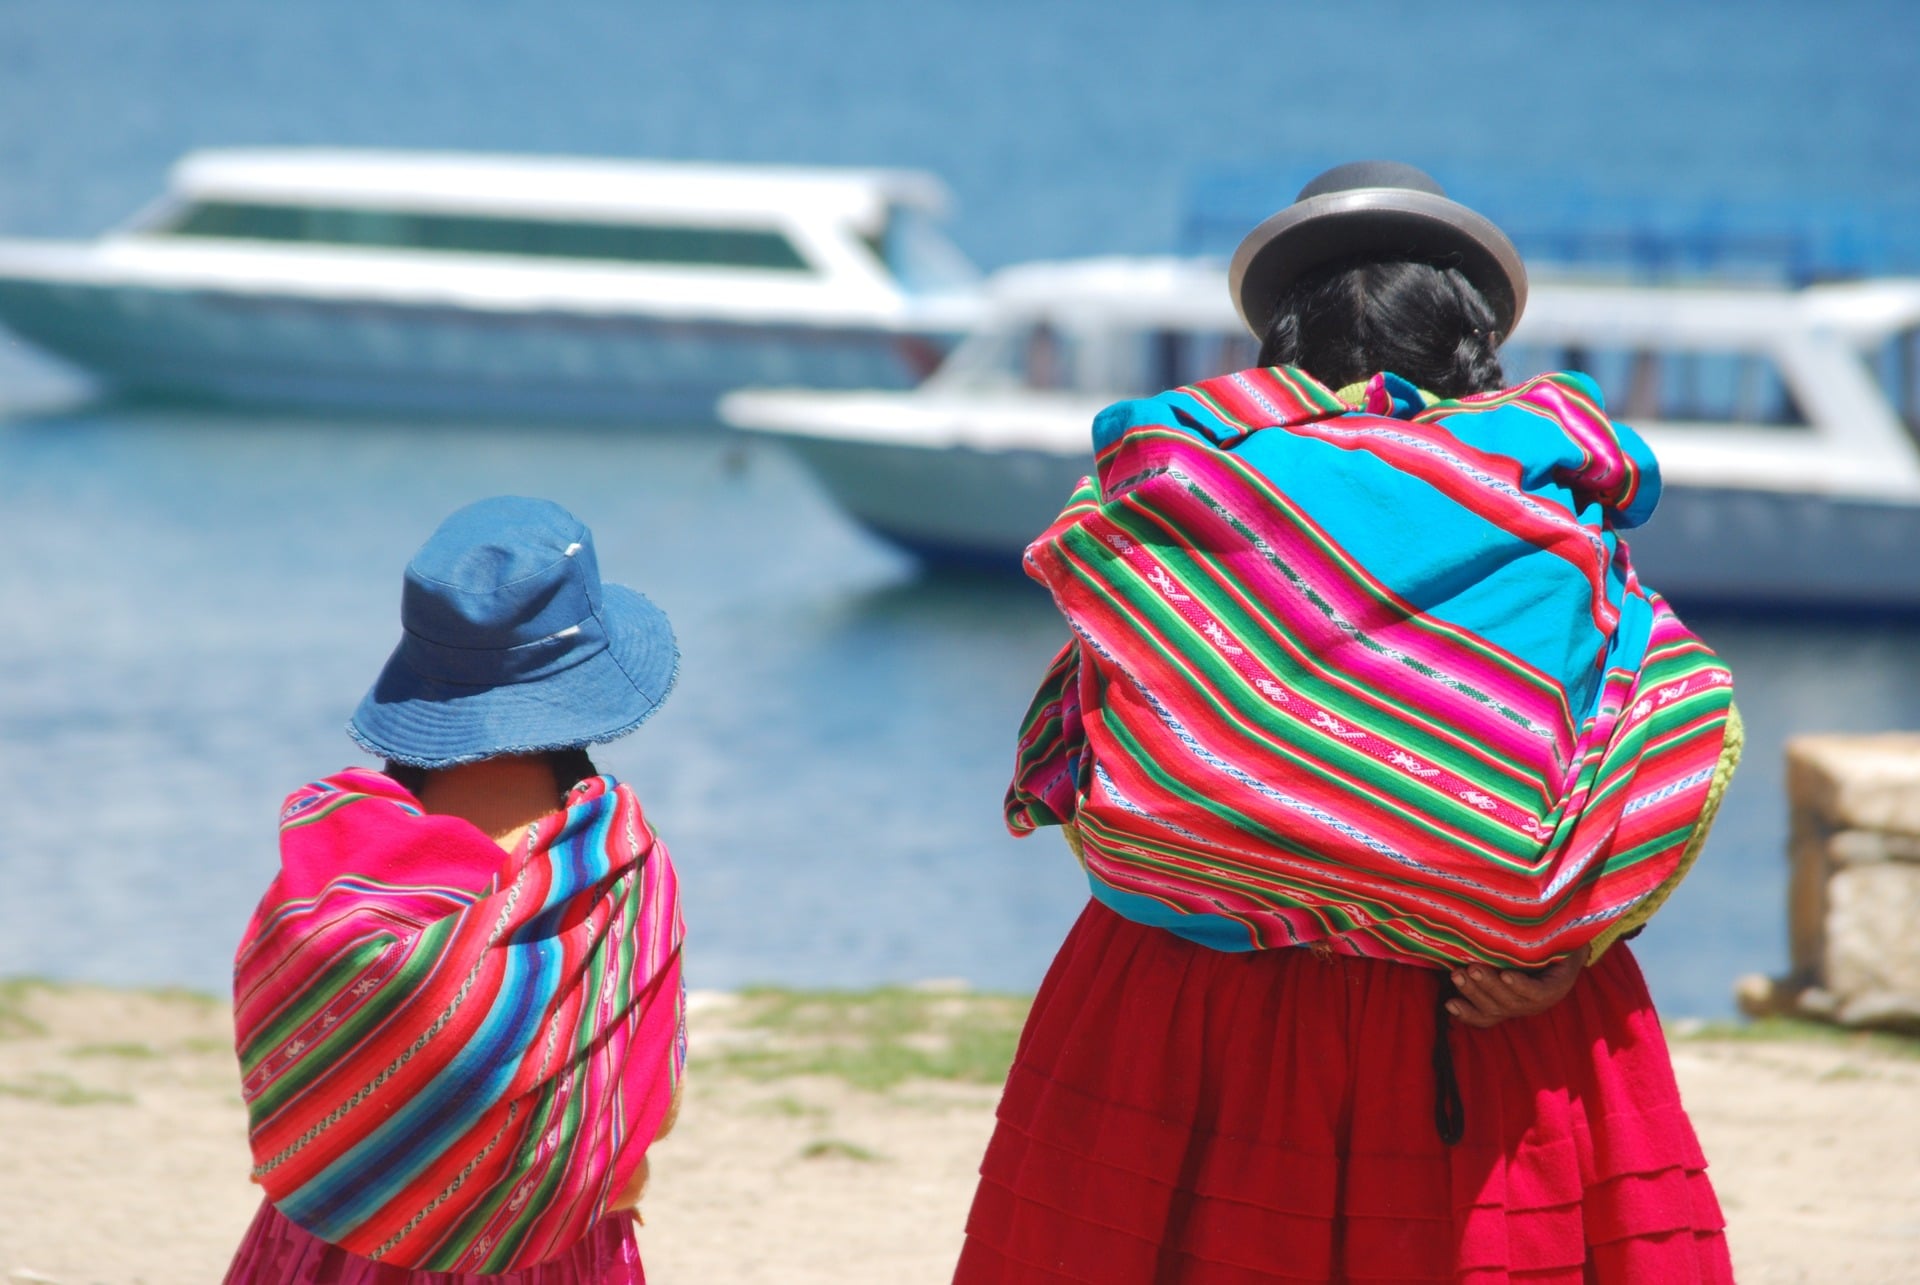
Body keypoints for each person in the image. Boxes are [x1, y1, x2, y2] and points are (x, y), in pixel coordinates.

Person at [954, 162, 1743, 1283]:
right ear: (1472, 342)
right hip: (1489, 1014)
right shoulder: (1552, 508)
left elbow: (1101, 741)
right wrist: (1563, 935)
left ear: (1283, 340)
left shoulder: (1183, 495)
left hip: (1190, 1008)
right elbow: (1658, 723)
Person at [224, 496, 686, 1284]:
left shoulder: (340, 857)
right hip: (546, 1252)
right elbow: (652, 1102)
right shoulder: (616, 864)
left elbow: (282, 1055)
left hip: (332, 1242)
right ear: (583, 681)